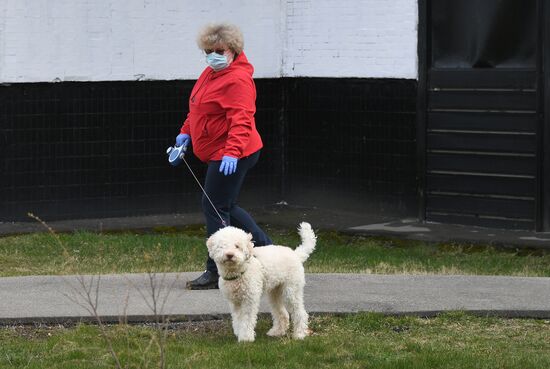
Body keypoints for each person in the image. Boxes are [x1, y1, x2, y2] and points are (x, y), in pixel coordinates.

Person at [175, 23, 273, 290]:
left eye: (218, 50)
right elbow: (197, 109)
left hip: (233, 151)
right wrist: (185, 134)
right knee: (224, 206)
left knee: (214, 207)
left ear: (233, 50)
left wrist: (232, 151)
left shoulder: (238, 79)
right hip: (222, 149)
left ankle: (214, 270)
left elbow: (242, 119)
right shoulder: (211, 72)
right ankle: (267, 250)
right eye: (208, 50)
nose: (212, 55)